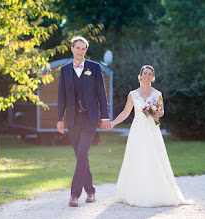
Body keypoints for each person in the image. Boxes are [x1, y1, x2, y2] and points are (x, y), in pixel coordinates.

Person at [109, 65, 193, 207]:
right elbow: (125, 113)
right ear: (140, 76)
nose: (147, 76)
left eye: (150, 74)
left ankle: (157, 192)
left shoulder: (157, 94)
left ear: (152, 78)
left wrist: (156, 113)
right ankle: (135, 192)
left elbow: (161, 112)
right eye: (145, 73)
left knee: (154, 157)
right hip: (137, 130)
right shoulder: (133, 94)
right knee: (137, 158)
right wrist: (112, 123)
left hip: (152, 130)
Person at [57, 36, 111, 207]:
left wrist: (105, 116)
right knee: (81, 156)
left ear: (86, 50)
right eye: (77, 48)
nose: (80, 51)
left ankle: (74, 195)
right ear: (72, 49)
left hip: (90, 119)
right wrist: (59, 118)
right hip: (72, 120)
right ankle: (91, 191)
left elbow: (101, 94)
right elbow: (61, 97)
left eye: (83, 48)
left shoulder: (94, 68)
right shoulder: (64, 70)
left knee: (82, 154)